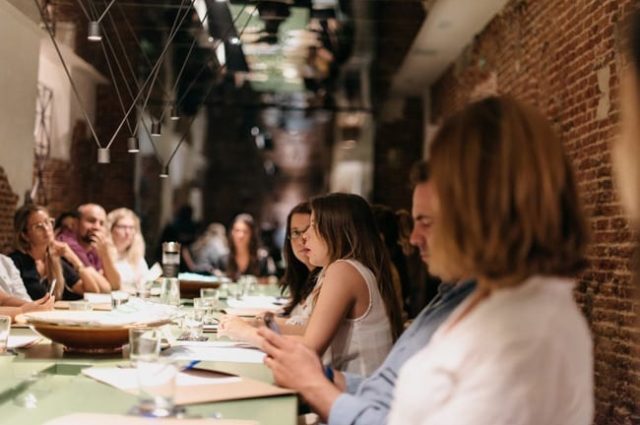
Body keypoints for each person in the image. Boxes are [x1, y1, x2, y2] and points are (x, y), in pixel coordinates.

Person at [387, 96, 593, 424]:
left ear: (478, 209)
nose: (413, 238)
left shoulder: (524, 338)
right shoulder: (497, 300)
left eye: (428, 219)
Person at [258, 163, 475, 425]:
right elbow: (387, 392)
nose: (414, 238)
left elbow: (388, 415)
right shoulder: (450, 296)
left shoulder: (344, 270)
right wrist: (323, 376)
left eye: (425, 222)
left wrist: (312, 383)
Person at [264, 194, 402, 376]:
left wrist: (247, 333)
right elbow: (309, 328)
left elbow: (308, 351)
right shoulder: (346, 268)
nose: (304, 236)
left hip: (355, 394)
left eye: (313, 226)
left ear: (337, 230)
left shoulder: (344, 270)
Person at [219, 202, 321, 342]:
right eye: (296, 232)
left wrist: (252, 327)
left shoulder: (333, 275)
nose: (304, 238)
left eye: (310, 230)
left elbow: (312, 337)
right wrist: (257, 320)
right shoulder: (302, 276)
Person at [10, 204, 104, 300]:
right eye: (38, 226)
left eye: (48, 222)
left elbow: (92, 291)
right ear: (25, 235)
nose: (46, 229)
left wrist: (75, 260)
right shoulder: (14, 263)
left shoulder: (54, 258)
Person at [56, 203, 119, 291]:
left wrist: (105, 254)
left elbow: (115, 285)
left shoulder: (94, 247)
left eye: (101, 223)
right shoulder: (67, 242)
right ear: (76, 223)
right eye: (91, 221)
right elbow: (105, 288)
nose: (97, 227)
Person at [217, 214, 275, 281]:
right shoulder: (223, 259)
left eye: (245, 232)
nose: (241, 235)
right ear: (232, 233)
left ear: (252, 234)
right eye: (237, 231)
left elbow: (272, 280)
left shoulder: (262, 258)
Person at [106, 208, 149, 294]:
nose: (128, 232)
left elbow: (145, 284)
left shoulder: (137, 257)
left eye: (131, 228)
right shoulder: (104, 254)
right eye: (122, 227)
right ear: (111, 229)